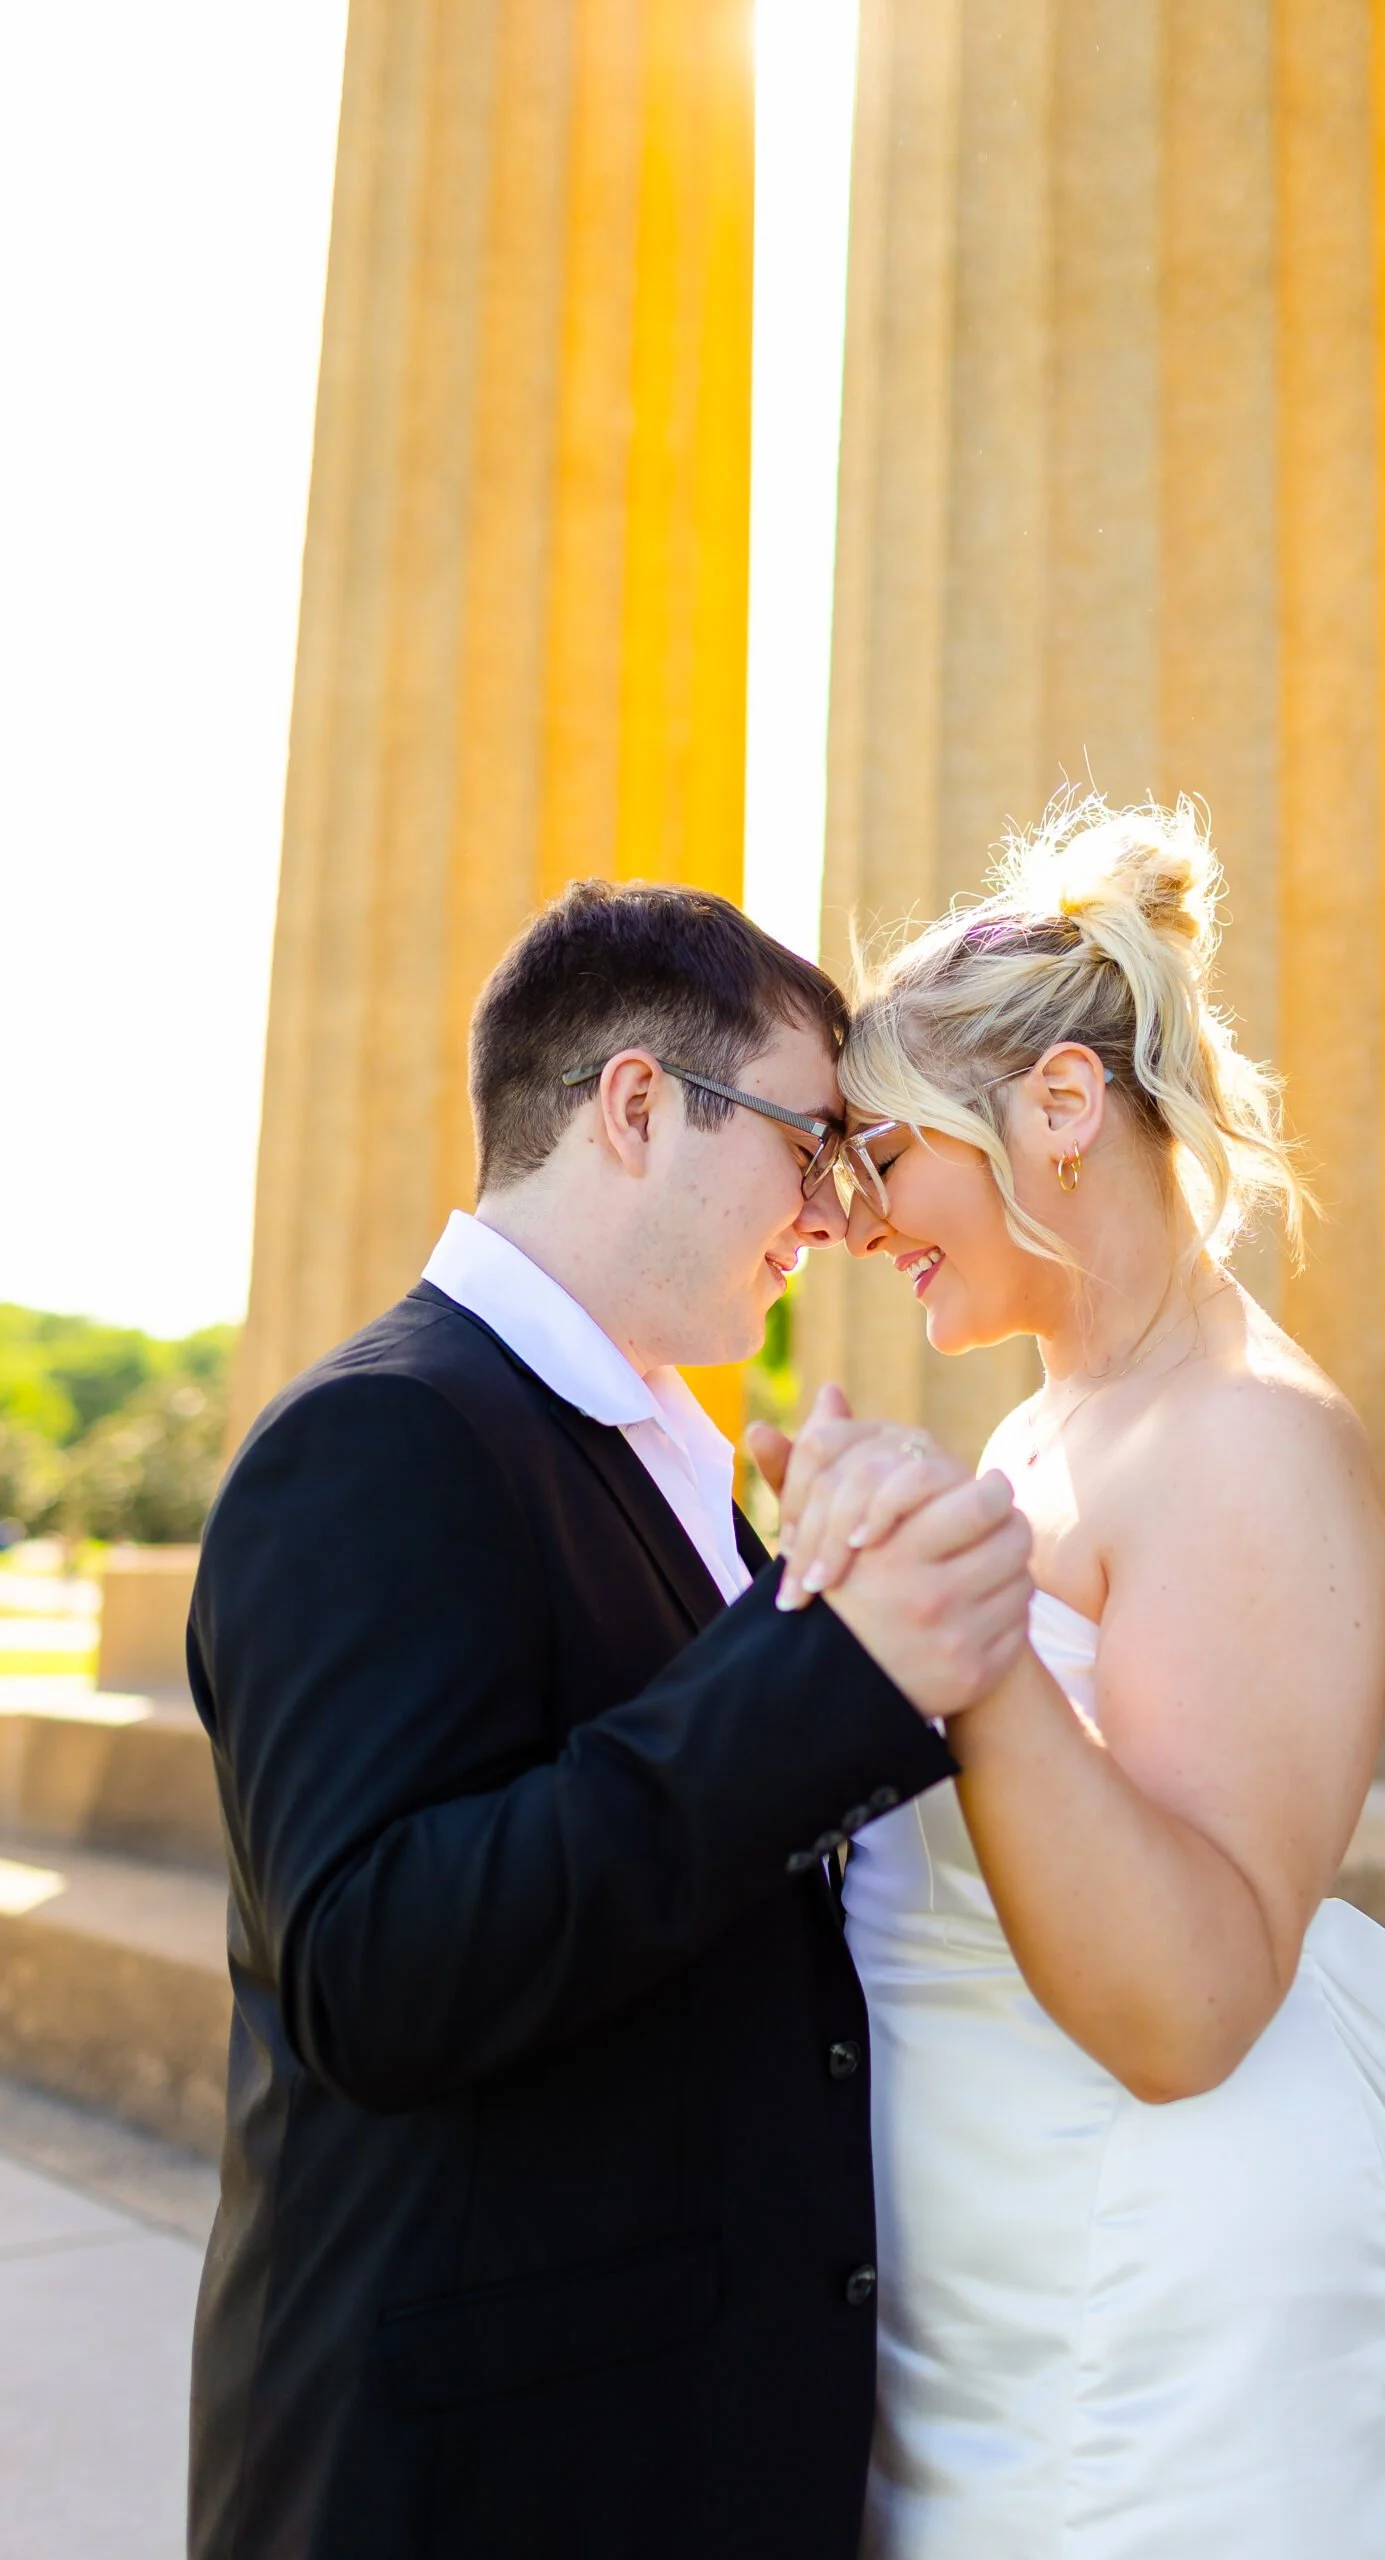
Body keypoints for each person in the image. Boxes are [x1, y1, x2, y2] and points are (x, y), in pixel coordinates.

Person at [767, 795, 1385, 2560]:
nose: (851, 1216)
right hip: (991, 2298)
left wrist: (965, 1628)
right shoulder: (1044, 1426)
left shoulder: (1251, 1447)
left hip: (1152, 2333)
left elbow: (1191, 2007)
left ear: (1062, 1110)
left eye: (881, 1153)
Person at [185, 880, 1034, 2560]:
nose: (832, 1215)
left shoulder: (661, 1447)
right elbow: (377, 1967)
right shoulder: (376, 1441)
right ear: (638, 1105)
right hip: (473, 2480)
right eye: (809, 1146)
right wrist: (836, 1675)